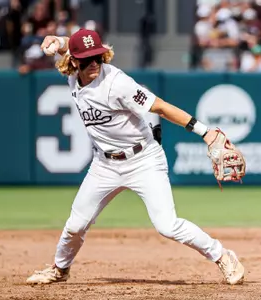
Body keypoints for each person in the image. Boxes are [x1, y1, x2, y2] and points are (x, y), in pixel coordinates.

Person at [26, 29, 245, 285]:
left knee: (167, 225)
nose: (94, 63)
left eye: (98, 56)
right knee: (76, 225)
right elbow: (66, 46)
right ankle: (59, 269)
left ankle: (223, 256)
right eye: (87, 59)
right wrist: (58, 39)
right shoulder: (73, 72)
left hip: (143, 160)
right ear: (74, 61)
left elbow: (161, 107)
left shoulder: (117, 83)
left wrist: (205, 132)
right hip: (104, 165)